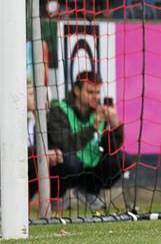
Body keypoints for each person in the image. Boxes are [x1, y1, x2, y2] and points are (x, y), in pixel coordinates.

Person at [47, 71, 124, 210]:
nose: (95, 97)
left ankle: (88, 191)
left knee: (121, 159)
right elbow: (65, 145)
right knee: (71, 162)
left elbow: (111, 148)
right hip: (64, 167)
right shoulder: (59, 111)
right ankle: (58, 196)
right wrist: (92, 128)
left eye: (98, 92)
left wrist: (115, 125)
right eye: (90, 92)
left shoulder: (99, 112)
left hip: (89, 167)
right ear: (77, 91)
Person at [28, 80, 63, 201]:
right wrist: (43, 154)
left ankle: (54, 197)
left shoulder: (42, 120)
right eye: (32, 94)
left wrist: (54, 152)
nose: (39, 99)